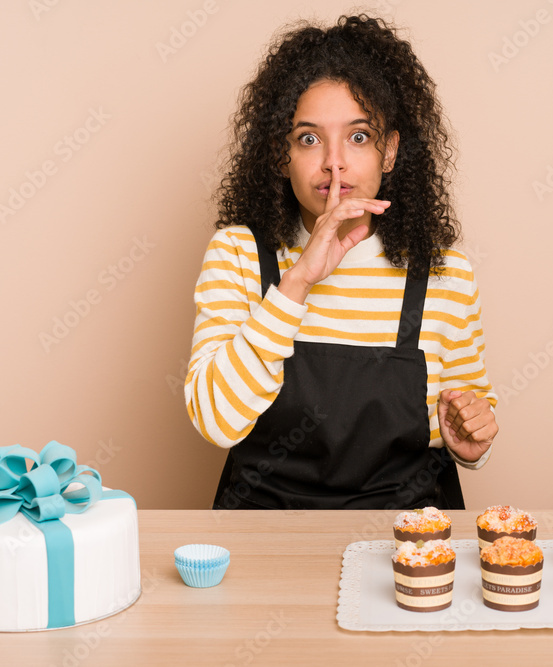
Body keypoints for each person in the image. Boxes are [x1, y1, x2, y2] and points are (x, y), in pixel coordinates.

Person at [185, 14, 498, 510]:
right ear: (280, 154)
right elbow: (215, 420)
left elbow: (468, 410)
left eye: (358, 137)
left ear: (390, 151)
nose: (335, 162)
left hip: (406, 548)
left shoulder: (445, 273)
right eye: (309, 139)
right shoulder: (239, 254)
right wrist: (299, 281)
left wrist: (472, 442)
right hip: (265, 538)